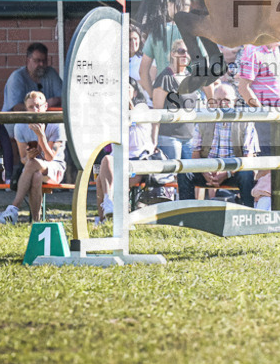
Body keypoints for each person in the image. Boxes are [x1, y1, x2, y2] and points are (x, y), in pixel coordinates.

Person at [0, 91, 67, 224]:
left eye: (38, 106)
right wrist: (28, 157)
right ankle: (36, 222)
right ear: (26, 109)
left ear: (46, 106)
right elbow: (23, 159)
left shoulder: (56, 125)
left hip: (55, 168)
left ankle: (13, 209)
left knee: (33, 164)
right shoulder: (20, 127)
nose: (35, 110)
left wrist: (41, 136)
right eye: (31, 107)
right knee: (36, 174)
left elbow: (50, 157)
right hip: (34, 169)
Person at [180, 83, 258, 206]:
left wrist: (226, 173)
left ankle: (249, 212)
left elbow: (248, 158)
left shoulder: (245, 122)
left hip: (234, 172)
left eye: (226, 100)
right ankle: (186, 212)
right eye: (218, 100)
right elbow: (195, 154)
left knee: (246, 174)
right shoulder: (204, 119)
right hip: (207, 171)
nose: (222, 104)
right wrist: (205, 172)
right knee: (184, 171)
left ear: (234, 101)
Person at [95, 79, 157, 224]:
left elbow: (135, 117)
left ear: (135, 92)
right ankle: (107, 208)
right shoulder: (112, 112)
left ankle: (105, 216)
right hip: (117, 160)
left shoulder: (142, 107)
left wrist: (127, 103)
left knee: (108, 178)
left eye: (126, 88)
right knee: (105, 163)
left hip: (138, 161)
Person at [152, 38, 205, 197]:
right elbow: (157, 113)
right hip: (169, 137)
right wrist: (153, 141)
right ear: (172, 54)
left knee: (188, 178)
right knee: (170, 179)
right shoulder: (165, 78)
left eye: (188, 52)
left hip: (189, 137)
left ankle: (187, 208)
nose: (185, 55)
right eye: (181, 51)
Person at [1, 42, 64, 141]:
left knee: (61, 128)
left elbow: (64, 97)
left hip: (45, 123)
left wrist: (55, 101)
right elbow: (17, 108)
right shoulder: (17, 77)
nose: (41, 64)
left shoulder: (51, 73)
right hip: (19, 124)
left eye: (44, 61)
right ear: (28, 60)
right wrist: (41, 107)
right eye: (37, 61)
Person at [237, 42, 280, 157]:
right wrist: (261, 112)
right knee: (265, 157)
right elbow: (243, 88)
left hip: (278, 116)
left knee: (278, 157)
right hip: (264, 118)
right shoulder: (253, 50)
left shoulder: (275, 50)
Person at [139, 0, 192, 100]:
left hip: (163, 96)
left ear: (170, 6)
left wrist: (153, 96)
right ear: (187, 7)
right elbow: (205, 71)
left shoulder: (156, 32)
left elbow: (143, 71)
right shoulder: (195, 31)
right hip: (189, 97)